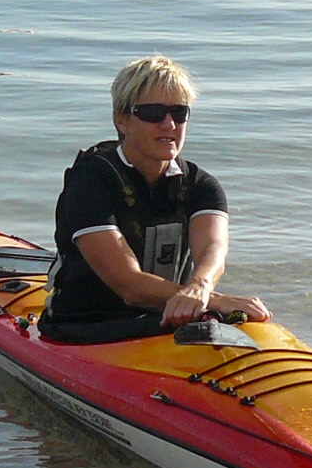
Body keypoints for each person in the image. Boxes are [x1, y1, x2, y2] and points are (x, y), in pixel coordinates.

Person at [39, 56, 270, 344]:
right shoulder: (90, 182)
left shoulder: (201, 185)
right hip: (86, 328)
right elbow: (129, 285)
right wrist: (214, 300)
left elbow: (213, 248)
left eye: (179, 112)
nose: (168, 124)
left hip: (166, 322)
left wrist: (201, 287)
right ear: (121, 120)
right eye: (152, 113)